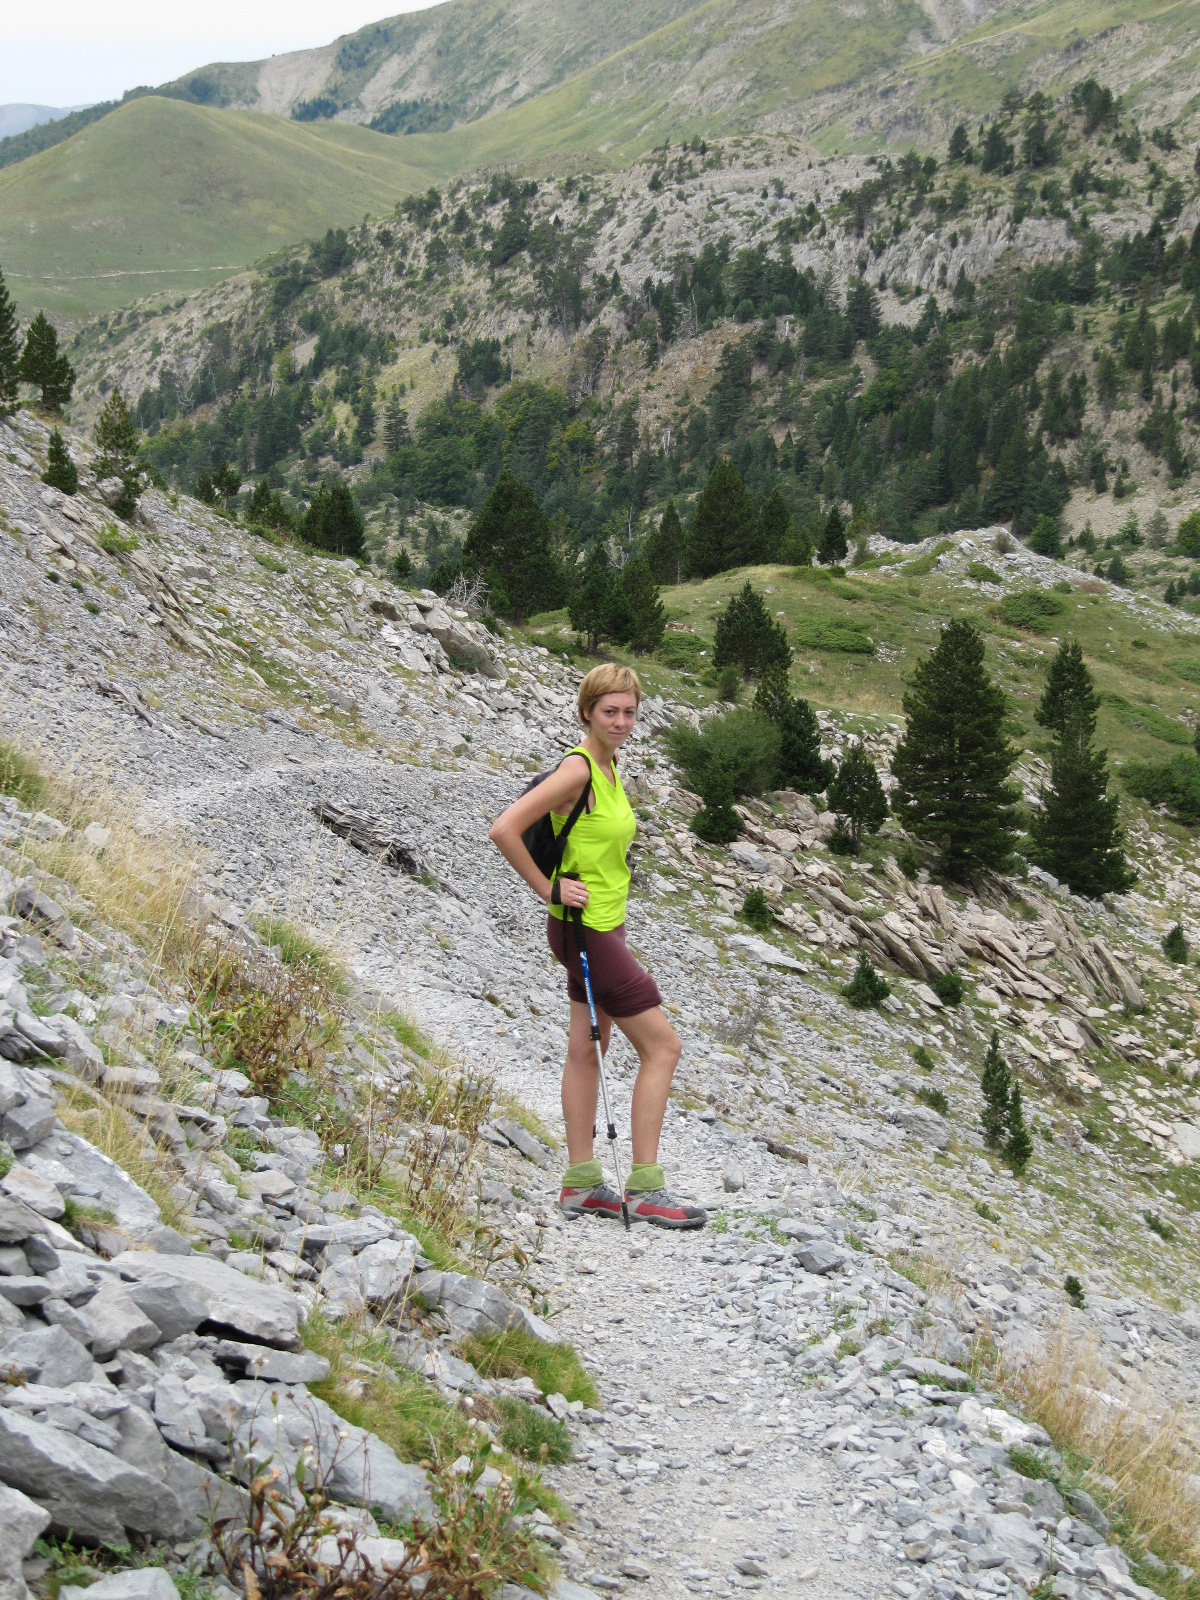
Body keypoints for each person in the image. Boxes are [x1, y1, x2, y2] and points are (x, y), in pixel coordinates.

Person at [489, 663, 706, 1229]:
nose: (621, 721)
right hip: (584, 931)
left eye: (630, 712)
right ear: (587, 711)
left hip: (602, 926)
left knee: (588, 1050)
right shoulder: (577, 771)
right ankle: (646, 1187)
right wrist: (548, 888)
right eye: (610, 710)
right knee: (663, 1048)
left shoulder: (610, 769)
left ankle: (581, 1184)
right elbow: (503, 828)